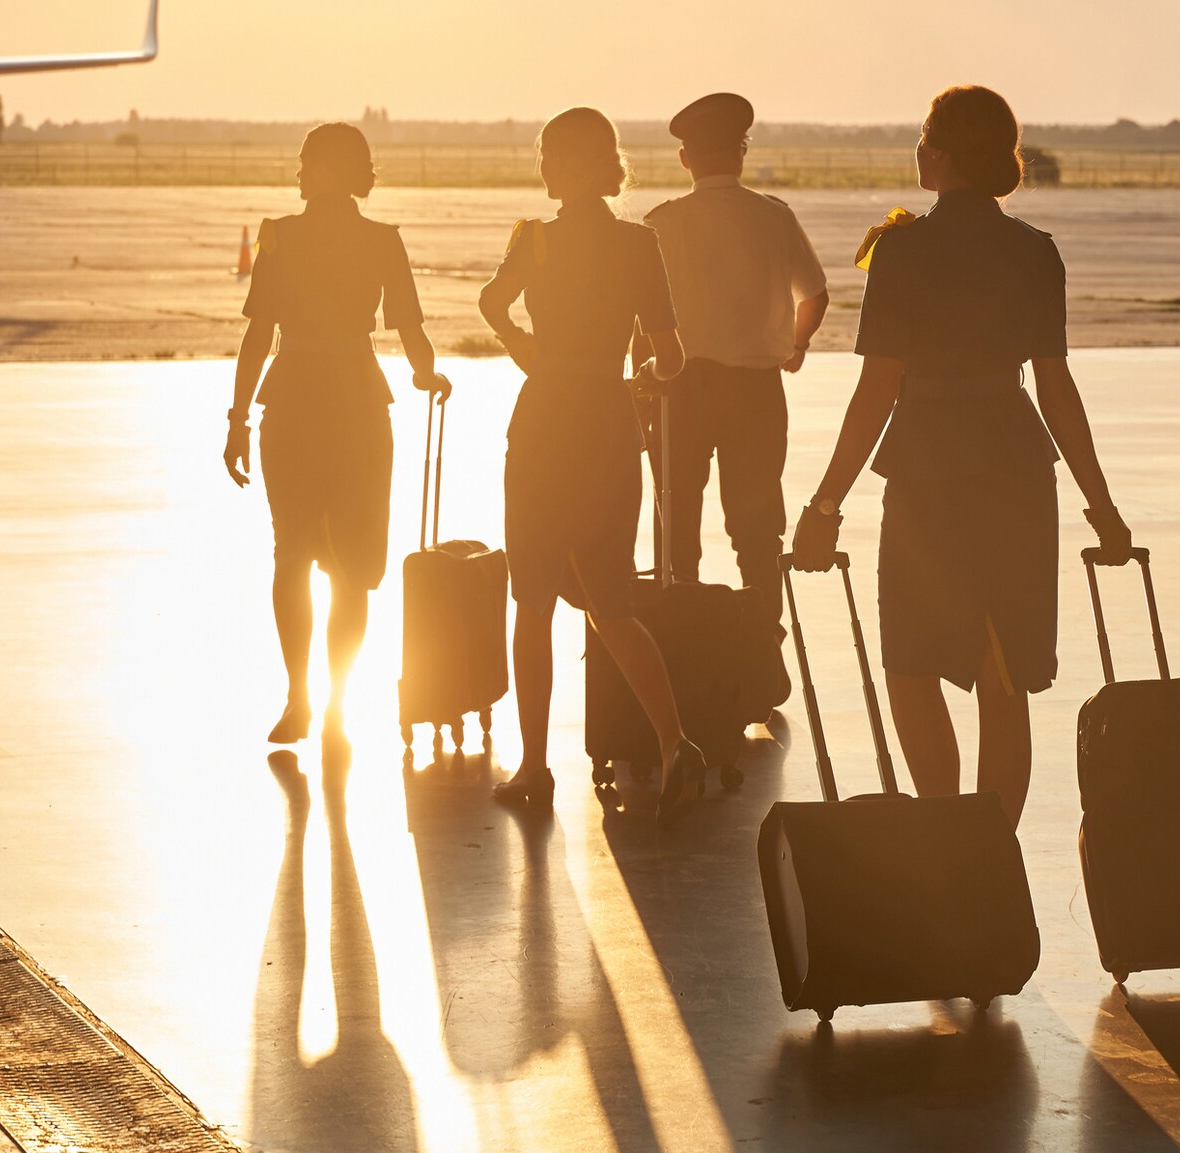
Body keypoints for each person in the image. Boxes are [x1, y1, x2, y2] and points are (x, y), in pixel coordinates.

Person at [791, 86, 1132, 829]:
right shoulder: (1034, 250)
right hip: (1015, 464)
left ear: (940, 154)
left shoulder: (904, 250)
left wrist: (824, 507)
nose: (916, 149)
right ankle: (992, 853)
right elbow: (1056, 388)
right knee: (1002, 673)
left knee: (910, 664)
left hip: (926, 470)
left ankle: (944, 834)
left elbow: (877, 389)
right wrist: (1101, 508)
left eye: (922, 137)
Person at [478, 107, 710, 823]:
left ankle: (536, 763)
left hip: (547, 421)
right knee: (613, 604)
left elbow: (491, 303)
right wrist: (639, 368)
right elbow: (670, 356)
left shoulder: (536, 241)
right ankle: (675, 741)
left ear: (573, 165)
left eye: (549, 156)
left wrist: (528, 350)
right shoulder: (641, 245)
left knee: (534, 601)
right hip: (611, 427)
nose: (542, 168)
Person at [226, 121, 449, 744]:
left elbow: (257, 336)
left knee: (290, 553)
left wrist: (238, 418)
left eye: (305, 163)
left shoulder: (278, 238)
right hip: (356, 402)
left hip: (292, 400)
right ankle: (336, 704)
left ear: (327, 169)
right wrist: (429, 378)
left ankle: (300, 694)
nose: (297, 173)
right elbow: (410, 331)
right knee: (352, 566)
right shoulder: (382, 241)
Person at [645, 93, 829, 648]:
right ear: (742, 153)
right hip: (755, 390)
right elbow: (815, 296)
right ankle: (762, 648)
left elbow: (642, 315)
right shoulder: (773, 215)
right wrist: (794, 348)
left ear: (685, 160)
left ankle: (680, 641)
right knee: (756, 526)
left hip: (681, 390)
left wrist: (643, 383)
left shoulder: (662, 222)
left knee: (676, 521)